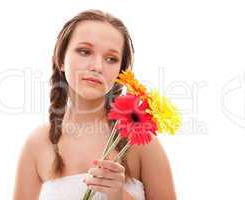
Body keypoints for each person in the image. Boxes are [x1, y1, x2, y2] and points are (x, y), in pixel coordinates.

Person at [13, 9, 177, 200]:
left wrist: (119, 196)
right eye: (84, 51)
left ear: (120, 72)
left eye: (111, 59)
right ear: (61, 60)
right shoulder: (37, 144)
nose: (97, 66)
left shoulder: (139, 141)